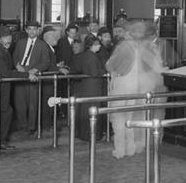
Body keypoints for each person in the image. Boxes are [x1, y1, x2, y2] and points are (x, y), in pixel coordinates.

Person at [105, 19, 167, 159]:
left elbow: (110, 64)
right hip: (135, 86)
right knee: (130, 118)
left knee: (118, 118)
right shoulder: (139, 47)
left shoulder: (123, 46)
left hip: (122, 85)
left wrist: (111, 68)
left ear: (128, 32)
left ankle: (120, 150)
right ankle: (131, 148)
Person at [0, 25, 39, 150]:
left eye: (9, 37)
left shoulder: (0, 49)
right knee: (6, 112)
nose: (8, 40)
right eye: (5, 37)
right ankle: (0, 142)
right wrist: (27, 75)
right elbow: (6, 72)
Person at [11, 21, 53, 135]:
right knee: (19, 102)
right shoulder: (20, 43)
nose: (32, 31)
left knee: (33, 103)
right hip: (20, 73)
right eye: (29, 29)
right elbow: (14, 57)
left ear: (38, 30)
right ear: (26, 30)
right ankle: (22, 125)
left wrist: (34, 70)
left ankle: (31, 127)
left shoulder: (42, 45)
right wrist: (18, 66)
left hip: (33, 74)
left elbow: (46, 62)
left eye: (34, 29)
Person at [70, 34, 107, 141]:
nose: (99, 46)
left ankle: (85, 134)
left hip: (87, 86)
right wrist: (105, 70)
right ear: (92, 45)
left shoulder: (85, 55)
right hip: (93, 86)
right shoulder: (92, 57)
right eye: (97, 44)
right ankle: (92, 135)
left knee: (86, 109)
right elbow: (94, 73)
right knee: (93, 109)